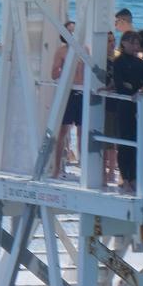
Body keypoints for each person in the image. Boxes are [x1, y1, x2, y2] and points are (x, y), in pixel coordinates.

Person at [110, 30, 143, 193]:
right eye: (132, 43)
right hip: (124, 106)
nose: (136, 47)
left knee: (137, 142)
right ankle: (125, 177)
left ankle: (133, 176)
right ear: (124, 43)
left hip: (138, 106)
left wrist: (135, 89)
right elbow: (120, 85)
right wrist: (132, 89)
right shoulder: (118, 61)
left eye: (137, 44)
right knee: (124, 142)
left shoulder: (141, 63)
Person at [50, 20, 84, 179]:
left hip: (82, 92)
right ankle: (57, 168)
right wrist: (65, 68)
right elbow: (54, 74)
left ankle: (83, 166)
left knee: (82, 131)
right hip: (69, 92)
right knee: (63, 130)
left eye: (74, 31)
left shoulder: (85, 50)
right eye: (69, 31)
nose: (72, 34)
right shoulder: (61, 51)